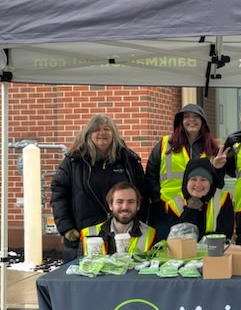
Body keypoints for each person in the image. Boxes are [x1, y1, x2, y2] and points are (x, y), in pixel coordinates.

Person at [50, 114, 145, 260]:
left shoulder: (128, 160)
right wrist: (66, 228)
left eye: (107, 129)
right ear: (88, 134)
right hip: (84, 235)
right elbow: (59, 195)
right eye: (97, 130)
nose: (102, 133)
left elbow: (141, 193)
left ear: (114, 134)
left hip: (124, 233)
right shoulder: (74, 161)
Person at [145, 103, 224, 240]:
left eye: (196, 117)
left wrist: (217, 168)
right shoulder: (165, 144)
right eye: (187, 116)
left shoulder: (212, 149)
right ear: (180, 121)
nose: (191, 120)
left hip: (199, 210)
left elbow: (218, 183)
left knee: (194, 251)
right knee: (165, 250)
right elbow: (151, 175)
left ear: (203, 122)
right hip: (166, 210)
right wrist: (158, 200)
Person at [165, 157, 234, 240]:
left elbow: (225, 235)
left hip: (216, 251)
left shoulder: (223, 198)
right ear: (186, 182)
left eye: (203, 179)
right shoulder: (174, 203)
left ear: (210, 183)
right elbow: (178, 238)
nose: (198, 184)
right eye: (193, 179)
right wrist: (192, 209)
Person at [78, 182, 156, 254]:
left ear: (138, 206)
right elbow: (78, 267)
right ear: (110, 205)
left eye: (130, 202)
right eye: (120, 202)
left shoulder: (151, 234)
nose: (125, 207)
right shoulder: (88, 234)